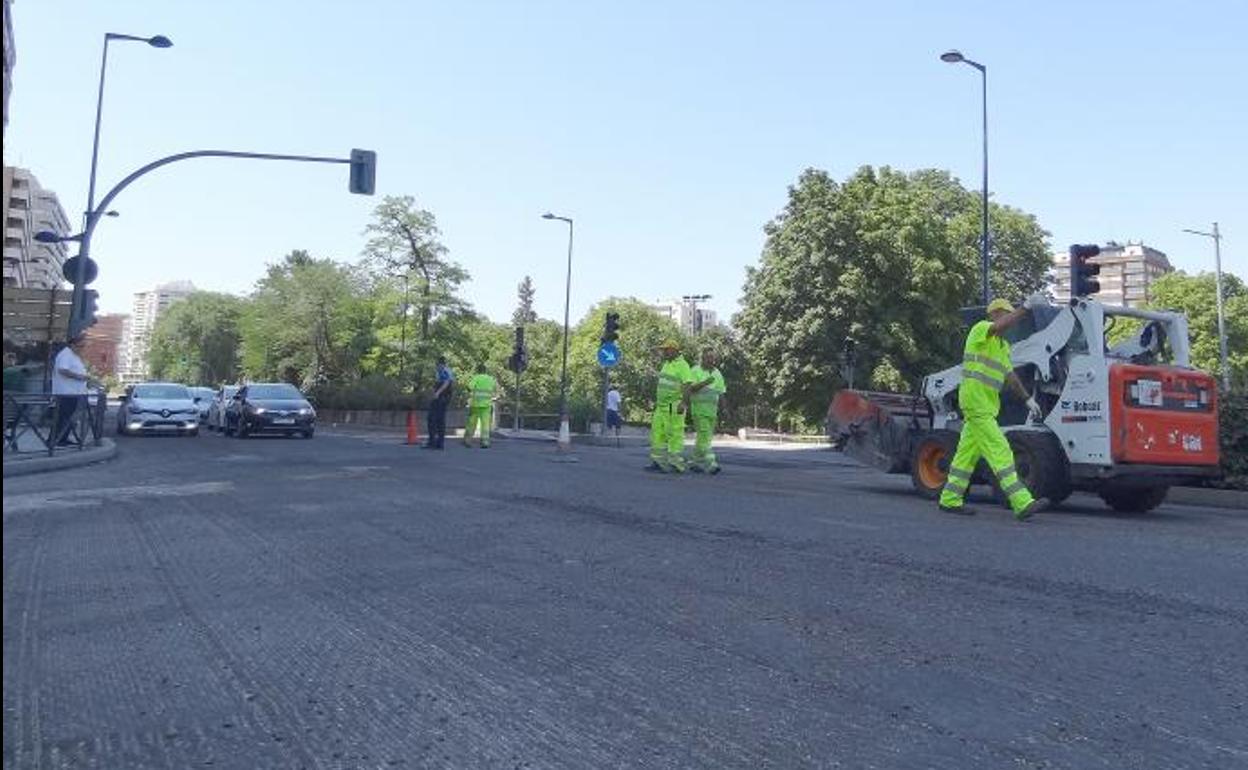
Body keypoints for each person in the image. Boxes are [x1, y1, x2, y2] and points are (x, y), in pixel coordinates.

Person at [939, 296, 1050, 520]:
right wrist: (1025, 308)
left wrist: (1027, 399)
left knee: (966, 456)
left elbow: (1010, 376)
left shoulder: (1002, 346)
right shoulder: (981, 330)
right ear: (995, 314)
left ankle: (950, 499)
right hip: (976, 402)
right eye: (1005, 314)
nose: (1009, 320)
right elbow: (1001, 325)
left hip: (984, 405)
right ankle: (1022, 503)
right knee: (1000, 450)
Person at [647, 339, 693, 473]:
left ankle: (675, 464)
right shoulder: (667, 364)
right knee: (657, 434)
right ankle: (658, 461)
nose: (664, 352)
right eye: (664, 350)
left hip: (674, 405)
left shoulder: (683, 365)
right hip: (661, 407)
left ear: (674, 350)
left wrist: (684, 403)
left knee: (674, 435)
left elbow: (687, 384)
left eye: (667, 350)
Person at [687, 350, 726, 474]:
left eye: (713, 358)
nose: (711, 360)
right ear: (702, 358)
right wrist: (705, 382)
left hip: (712, 412)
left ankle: (694, 462)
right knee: (704, 437)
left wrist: (724, 408)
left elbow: (721, 392)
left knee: (704, 439)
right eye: (709, 358)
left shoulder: (717, 373)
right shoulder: (695, 371)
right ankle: (711, 464)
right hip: (699, 411)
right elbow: (691, 388)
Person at [51, 335, 92, 446]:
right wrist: (80, 376)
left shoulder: (73, 355)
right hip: (66, 393)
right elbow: (62, 370)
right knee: (64, 417)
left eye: (84, 346)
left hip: (73, 393)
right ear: (73, 344)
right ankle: (57, 439)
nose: (82, 348)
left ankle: (61, 438)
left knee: (67, 417)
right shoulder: (66, 354)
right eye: (80, 346)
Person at [462, 367, 498, 448]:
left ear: (478, 371)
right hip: (486, 405)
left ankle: (468, 440)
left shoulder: (476, 378)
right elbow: (495, 389)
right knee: (485, 424)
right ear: (485, 371)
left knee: (471, 423)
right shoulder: (490, 379)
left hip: (475, 404)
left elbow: (469, 387)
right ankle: (485, 442)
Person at [424, 356, 454, 449]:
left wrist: (437, 393)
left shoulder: (444, 371)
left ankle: (435, 442)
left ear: (441, 364)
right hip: (441, 397)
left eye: (438, 365)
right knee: (435, 419)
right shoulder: (441, 371)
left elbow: (446, 382)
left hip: (442, 397)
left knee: (435, 419)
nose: (436, 367)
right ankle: (436, 442)